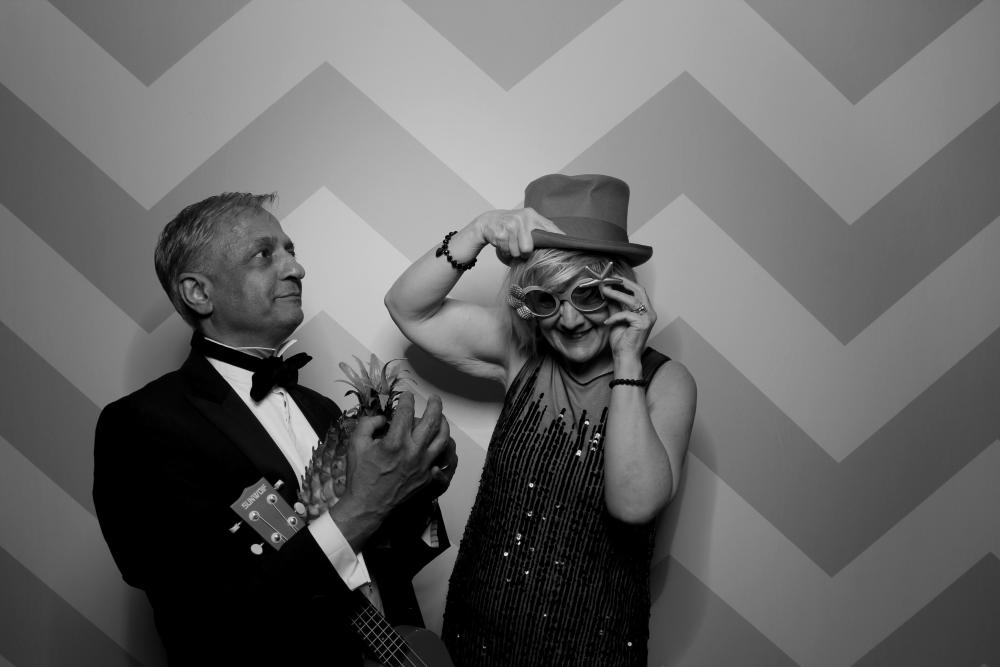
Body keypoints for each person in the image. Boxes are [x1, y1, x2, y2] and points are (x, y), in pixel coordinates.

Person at [94, 192, 458, 665]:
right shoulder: (141, 425)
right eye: (264, 254)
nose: (296, 268)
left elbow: (389, 567)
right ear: (198, 292)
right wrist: (365, 506)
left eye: (291, 251)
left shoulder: (323, 410)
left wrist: (418, 486)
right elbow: (201, 617)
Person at [384, 174, 696, 666]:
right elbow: (408, 309)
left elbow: (634, 505)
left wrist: (627, 358)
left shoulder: (665, 381)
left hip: (592, 649)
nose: (569, 320)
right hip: (475, 636)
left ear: (621, 288)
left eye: (588, 295)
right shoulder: (522, 351)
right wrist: (477, 230)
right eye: (547, 300)